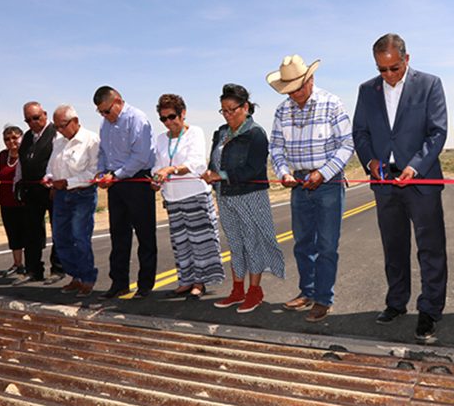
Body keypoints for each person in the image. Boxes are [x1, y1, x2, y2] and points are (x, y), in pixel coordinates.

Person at [352, 33, 448, 343]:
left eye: (394, 68)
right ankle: (396, 302)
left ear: (407, 59)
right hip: (385, 182)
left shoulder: (430, 84)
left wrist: (415, 165)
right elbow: (361, 133)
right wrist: (370, 162)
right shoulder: (367, 91)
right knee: (393, 247)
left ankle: (430, 310)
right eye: (382, 69)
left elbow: (437, 132)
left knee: (430, 249)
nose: (389, 75)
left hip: (420, 180)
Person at [267, 55, 354, 323]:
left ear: (310, 79)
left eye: (298, 87)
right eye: (289, 90)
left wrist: (324, 173)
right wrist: (282, 172)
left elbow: (347, 144)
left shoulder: (331, 104)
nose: (294, 94)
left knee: (327, 245)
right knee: (303, 243)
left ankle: (323, 299)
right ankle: (307, 292)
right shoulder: (283, 111)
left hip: (328, 183)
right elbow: (276, 148)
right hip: (299, 184)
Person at [202, 84, 284, 313]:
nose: (227, 115)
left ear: (245, 107)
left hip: (250, 197)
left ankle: (254, 292)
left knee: (252, 244)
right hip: (226, 196)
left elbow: (253, 169)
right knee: (235, 245)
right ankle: (237, 290)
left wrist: (222, 175)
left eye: (231, 110)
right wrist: (211, 173)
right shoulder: (220, 132)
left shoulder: (255, 133)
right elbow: (213, 160)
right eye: (223, 111)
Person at [151, 94, 224, 299]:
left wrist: (170, 170)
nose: (168, 122)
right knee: (181, 241)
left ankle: (200, 282)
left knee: (200, 241)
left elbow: (197, 163)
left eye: (172, 116)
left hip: (195, 194)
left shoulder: (195, 133)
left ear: (183, 113)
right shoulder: (160, 139)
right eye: (163, 118)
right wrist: (157, 177)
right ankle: (186, 279)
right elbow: (157, 165)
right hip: (172, 198)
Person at [93, 86, 157, 300]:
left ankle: (145, 285)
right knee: (118, 236)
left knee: (145, 235)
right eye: (100, 112)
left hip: (137, 180)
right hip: (116, 182)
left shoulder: (137, 119)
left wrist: (116, 175)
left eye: (106, 111)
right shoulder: (106, 124)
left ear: (118, 101)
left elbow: (140, 156)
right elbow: (103, 152)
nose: (104, 115)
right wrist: (102, 173)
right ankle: (119, 283)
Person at [43, 105, 100, 298]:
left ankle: (87, 278)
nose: (59, 130)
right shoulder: (58, 141)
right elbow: (52, 165)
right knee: (61, 237)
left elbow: (94, 172)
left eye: (62, 125)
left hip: (81, 195)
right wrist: (49, 177)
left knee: (79, 237)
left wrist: (68, 182)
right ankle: (74, 276)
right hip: (60, 195)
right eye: (56, 126)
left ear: (75, 121)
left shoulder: (91, 140)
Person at [14, 101, 65, 285]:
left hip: (51, 190)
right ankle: (33, 270)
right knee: (32, 231)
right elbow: (21, 163)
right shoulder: (27, 137)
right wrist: (17, 184)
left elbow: (60, 161)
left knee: (57, 229)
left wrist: (54, 185)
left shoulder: (56, 135)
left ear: (44, 114)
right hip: (31, 191)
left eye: (35, 118)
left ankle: (58, 269)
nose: (32, 123)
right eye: (28, 120)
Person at [0, 124, 26, 277]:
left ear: (21, 137)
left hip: (23, 201)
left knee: (27, 233)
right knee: (12, 233)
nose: (11, 141)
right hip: (6, 200)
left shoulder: (26, 153)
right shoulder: (2, 155)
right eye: (7, 139)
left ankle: (31, 264)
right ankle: (17, 263)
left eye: (14, 137)